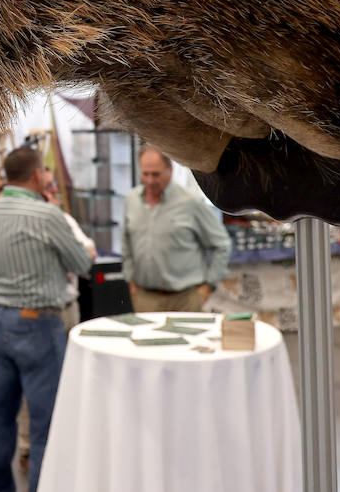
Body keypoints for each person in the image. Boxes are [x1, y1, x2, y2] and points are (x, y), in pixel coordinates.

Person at [0, 147, 93, 492]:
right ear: (35, 176)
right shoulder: (47, 215)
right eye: (44, 171)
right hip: (37, 323)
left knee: (2, 413)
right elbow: (82, 263)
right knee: (45, 422)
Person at [16, 175, 95, 469]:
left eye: (53, 188)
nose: (54, 194)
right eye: (48, 189)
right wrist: (68, 257)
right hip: (39, 312)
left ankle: (63, 444)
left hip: (68, 309)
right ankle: (29, 447)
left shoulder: (63, 220)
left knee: (68, 378)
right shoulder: (25, 221)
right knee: (37, 382)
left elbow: (89, 253)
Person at [121, 147, 233, 313]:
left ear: (170, 170)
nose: (150, 180)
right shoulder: (131, 200)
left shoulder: (191, 202)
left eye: (156, 174)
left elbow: (222, 244)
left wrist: (209, 285)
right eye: (145, 174)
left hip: (186, 300)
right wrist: (130, 278)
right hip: (145, 299)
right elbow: (126, 243)